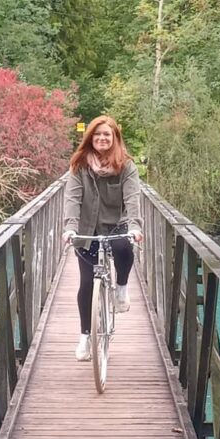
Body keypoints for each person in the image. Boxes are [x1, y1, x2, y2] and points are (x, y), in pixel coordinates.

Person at [63, 115, 143, 361]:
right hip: (87, 229)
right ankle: (86, 337)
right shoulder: (79, 166)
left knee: (125, 247)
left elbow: (132, 197)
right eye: (97, 135)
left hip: (116, 226)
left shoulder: (126, 166)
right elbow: (72, 198)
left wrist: (135, 226)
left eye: (107, 134)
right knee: (86, 283)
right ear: (90, 138)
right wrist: (70, 228)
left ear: (115, 138)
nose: (102, 138)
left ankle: (121, 287)